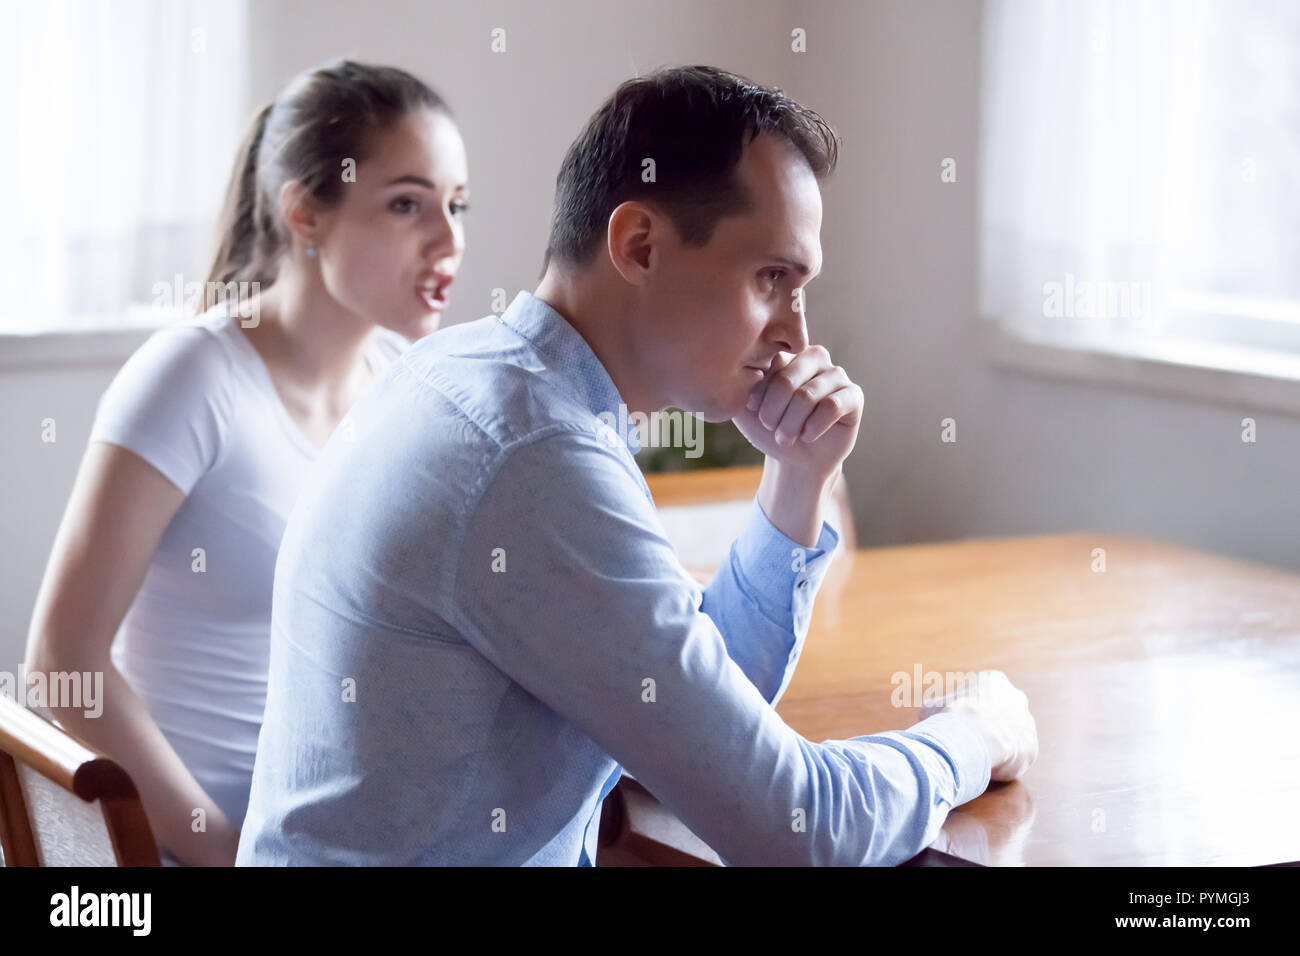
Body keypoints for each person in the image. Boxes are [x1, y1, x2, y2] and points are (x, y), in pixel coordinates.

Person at [237, 65, 1037, 867]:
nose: (797, 336)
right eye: (771, 279)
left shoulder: (461, 372)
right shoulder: (534, 459)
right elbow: (800, 829)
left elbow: (690, 701)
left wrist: (797, 478)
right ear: (640, 245)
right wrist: (973, 736)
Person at [23, 60, 468, 866]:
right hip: (190, 848)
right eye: (408, 204)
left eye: (456, 205)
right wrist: (224, 849)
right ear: (304, 214)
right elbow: (62, 660)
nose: (450, 240)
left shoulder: (410, 385)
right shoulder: (192, 379)